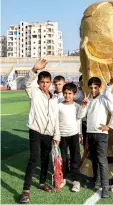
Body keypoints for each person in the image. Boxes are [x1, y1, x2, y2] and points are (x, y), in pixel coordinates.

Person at [19, 59, 60, 203]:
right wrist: (34, 70)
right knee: (33, 158)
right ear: (39, 83)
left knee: (45, 158)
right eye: (42, 82)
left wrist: (57, 135)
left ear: (50, 83)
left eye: (47, 82)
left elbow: (55, 119)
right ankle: (25, 191)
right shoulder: (34, 92)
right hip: (35, 130)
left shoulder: (54, 98)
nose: (44, 84)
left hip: (48, 133)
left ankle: (42, 182)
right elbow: (26, 84)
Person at [78, 77, 113, 198]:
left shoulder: (103, 99)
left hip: (101, 134)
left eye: (95, 87)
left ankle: (105, 188)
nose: (93, 90)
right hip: (90, 134)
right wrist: (83, 105)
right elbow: (80, 115)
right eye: (91, 88)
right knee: (95, 159)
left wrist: (109, 126)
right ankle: (97, 181)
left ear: (99, 87)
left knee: (102, 160)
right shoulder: (88, 100)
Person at [58, 83, 83, 191]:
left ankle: (76, 180)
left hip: (74, 134)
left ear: (74, 94)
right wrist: (56, 136)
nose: (67, 96)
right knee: (63, 157)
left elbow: (79, 120)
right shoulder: (59, 106)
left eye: (70, 93)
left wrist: (80, 134)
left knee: (75, 157)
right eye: (65, 93)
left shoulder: (77, 106)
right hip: (62, 135)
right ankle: (63, 177)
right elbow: (56, 122)